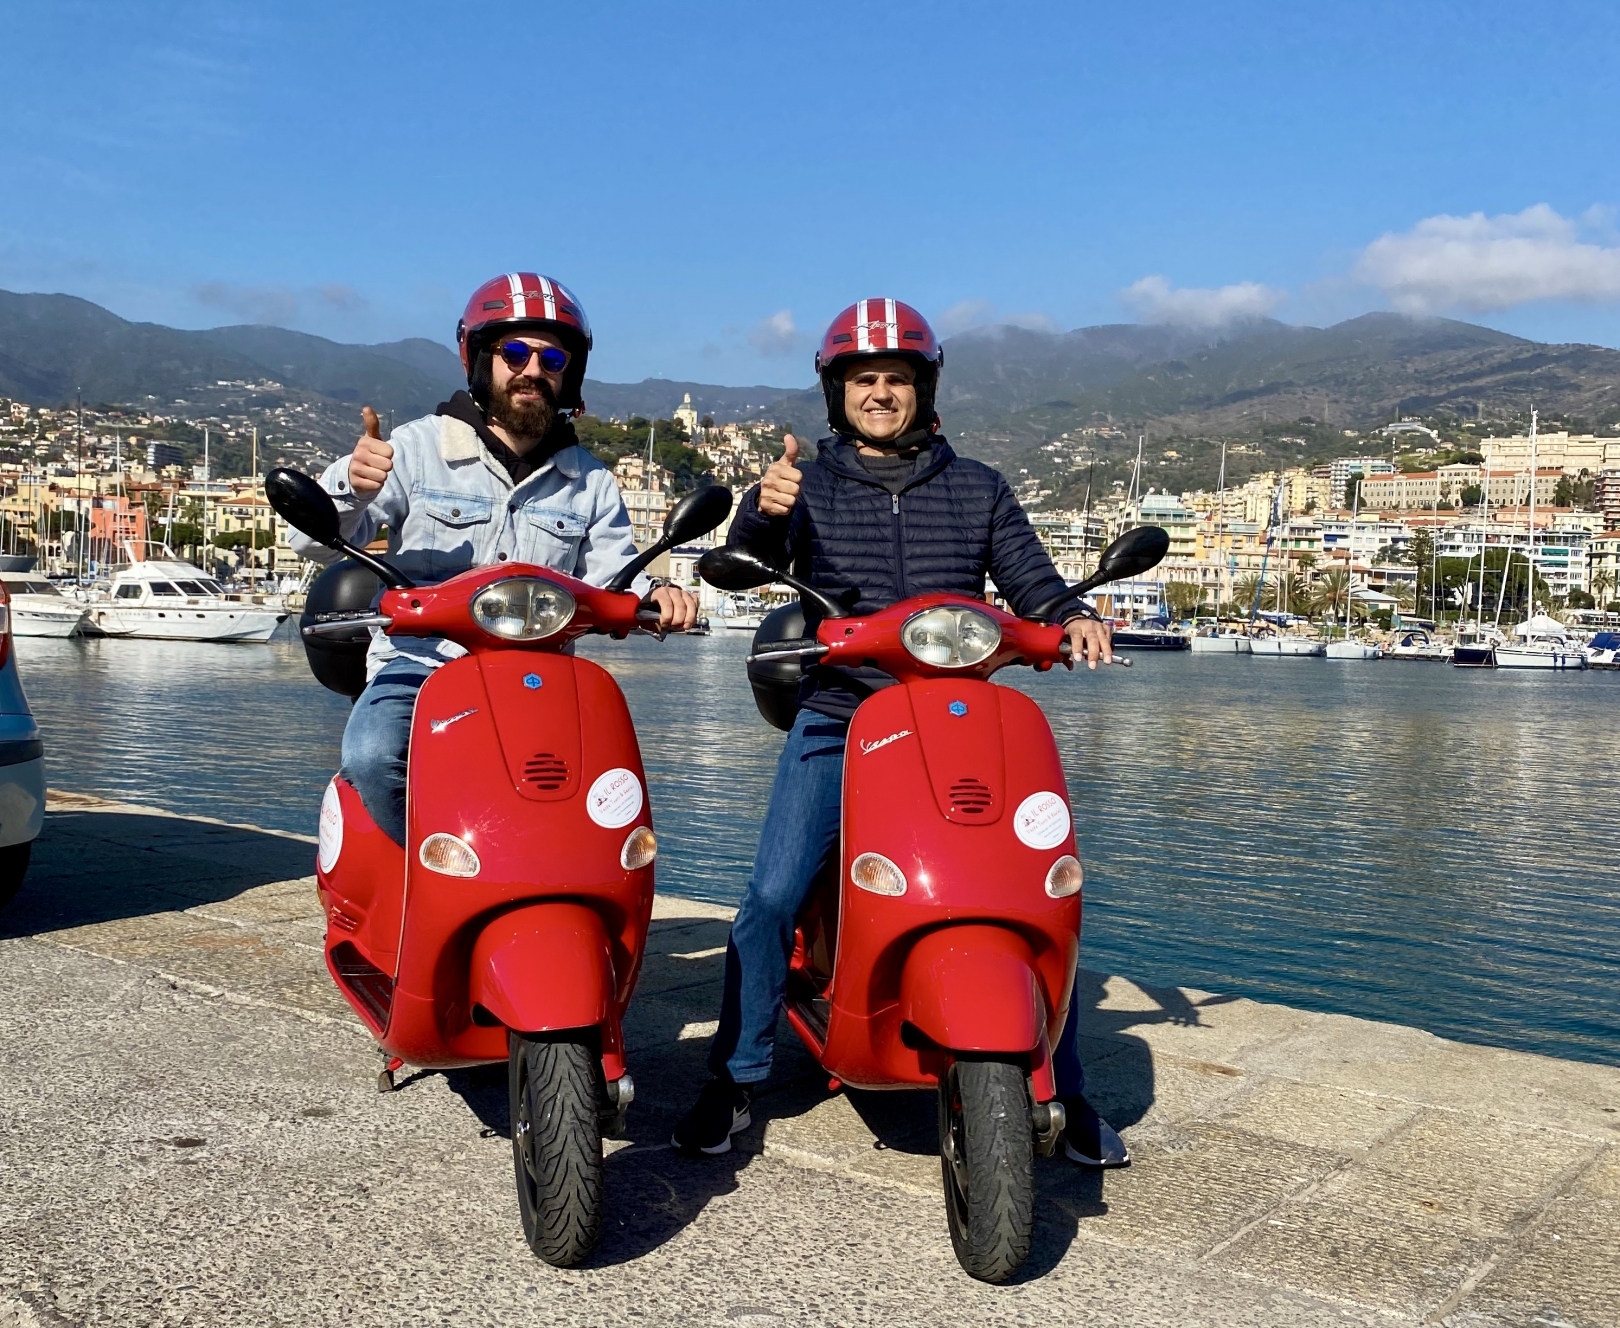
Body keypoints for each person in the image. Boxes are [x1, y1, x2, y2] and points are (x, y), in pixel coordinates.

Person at [671, 298, 1129, 1168]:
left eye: (896, 379)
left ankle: (1064, 1089)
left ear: (924, 389)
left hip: (959, 725)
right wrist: (763, 512)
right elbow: (738, 567)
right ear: (836, 392)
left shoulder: (979, 486)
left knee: (1036, 892)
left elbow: (1030, 579)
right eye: (863, 380)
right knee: (772, 895)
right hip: (841, 712)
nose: (880, 393)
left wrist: (1069, 615)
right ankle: (734, 1075)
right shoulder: (810, 485)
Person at [288, 272, 697, 845]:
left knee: (606, 785)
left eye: (552, 358)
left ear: (570, 372)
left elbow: (615, 577)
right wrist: (351, 488)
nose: (533, 369)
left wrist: (657, 597)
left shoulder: (591, 481)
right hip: (422, 667)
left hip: (542, 679)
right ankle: (422, 875)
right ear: (480, 359)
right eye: (514, 353)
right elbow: (309, 541)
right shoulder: (415, 449)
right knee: (374, 756)